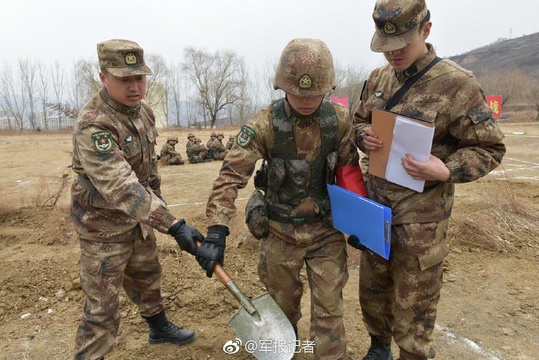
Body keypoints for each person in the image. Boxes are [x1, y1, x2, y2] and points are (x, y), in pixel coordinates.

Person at [195, 38, 367, 359]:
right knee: (281, 313)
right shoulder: (264, 125)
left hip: (325, 233)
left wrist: (360, 222)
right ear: (281, 86)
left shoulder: (339, 122)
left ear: (328, 87)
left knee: (329, 315)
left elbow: (348, 172)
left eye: (314, 93)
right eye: (298, 93)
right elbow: (230, 176)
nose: (305, 100)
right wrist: (218, 229)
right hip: (279, 233)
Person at [352, 1, 506, 359]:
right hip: (377, 212)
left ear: (426, 31)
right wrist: (364, 136)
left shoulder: (457, 84)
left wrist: (447, 169)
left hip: (421, 223)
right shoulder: (378, 80)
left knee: (414, 304)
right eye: (385, 47)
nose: (392, 54)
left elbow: (490, 148)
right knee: (373, 290)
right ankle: (378, 347)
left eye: (401, 45)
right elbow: (358, 123)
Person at [71, 39, 204, 360]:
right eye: (124, 79)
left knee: (147, 273)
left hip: (140, 215)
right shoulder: (95, 124)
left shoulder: (143, 112)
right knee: (102, 306)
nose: (134, 87)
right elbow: (121, 185)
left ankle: (159, 328)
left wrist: (162, 210)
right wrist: (173, 225)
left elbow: (148, 173)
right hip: (102, 225)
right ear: (104, 77)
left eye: (139, 78)